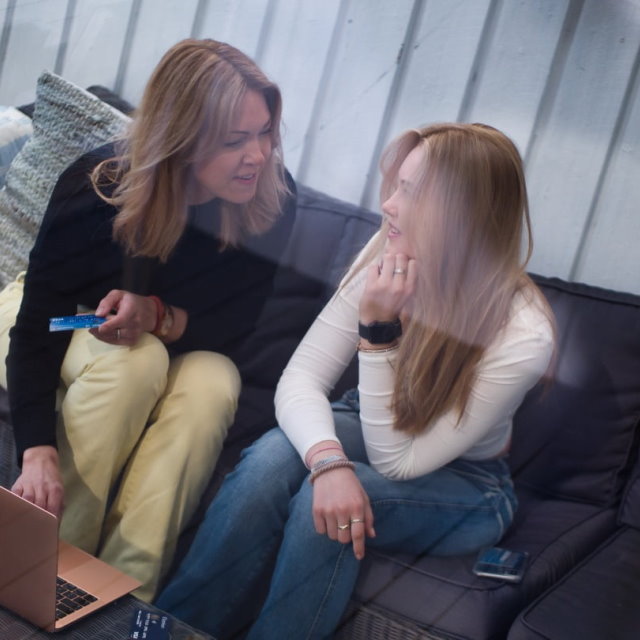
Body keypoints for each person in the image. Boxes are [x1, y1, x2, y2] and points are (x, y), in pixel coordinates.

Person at [155, 122, 555, 637]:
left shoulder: (523, 335)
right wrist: (328, 463)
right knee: (271, 459)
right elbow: (300, 379)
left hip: (467, 482)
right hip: (367, 422)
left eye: (409, 192)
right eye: (396, 184)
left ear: (459, 214)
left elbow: (399, 461)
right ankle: (167, 629)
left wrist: (379, 329)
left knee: (328, 510)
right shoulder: (390, 247)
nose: (387, 203)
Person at [0, 38, 296, 601]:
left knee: (214, 381)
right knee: (132, 363)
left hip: (165, 338)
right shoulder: (95, 188)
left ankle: (121, 600)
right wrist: (36, 451)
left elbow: (236, 331)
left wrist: (156, 314)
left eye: (264, 133)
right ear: (182, 140)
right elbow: (38, 322)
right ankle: (43, 575)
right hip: (54, 319)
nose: (258, 155)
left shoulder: (270, 200)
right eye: (235, 140)